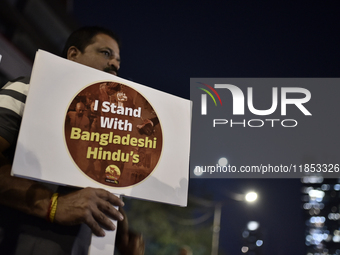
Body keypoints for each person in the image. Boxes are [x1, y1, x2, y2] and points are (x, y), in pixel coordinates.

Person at [0, 26, 144, 254]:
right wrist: (51, 205)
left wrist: (119, 239)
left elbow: (93, 201)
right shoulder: (28, 90)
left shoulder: (111, 129)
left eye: (118, 60)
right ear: (73, 55)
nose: (115, 64)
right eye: (106, 53)